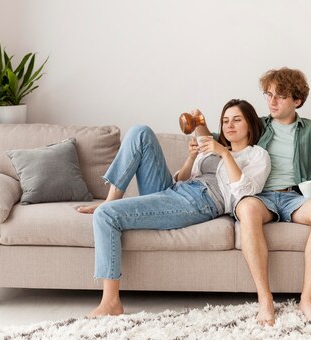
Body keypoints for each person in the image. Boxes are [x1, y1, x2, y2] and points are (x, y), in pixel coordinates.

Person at [195, 68, 311, 326]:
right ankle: (265, 300)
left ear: (297, 101)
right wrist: (200, 128)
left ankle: (307, 299)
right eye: (268, 95)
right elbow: (219, 137)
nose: (272, 102)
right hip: (260, 196)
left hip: (296, 198)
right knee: (247, 209)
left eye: (280, 96)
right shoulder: (258, 125)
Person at [77, 99, 270, 317]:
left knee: (105, 216)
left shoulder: (256, 155)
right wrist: (191, 158)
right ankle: (110, 199)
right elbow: (182, 177)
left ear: (250, 125)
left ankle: (111, 303)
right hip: (175, 189)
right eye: (225, 121)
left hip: (200, 201)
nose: (229, 125)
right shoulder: (212, 150)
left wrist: (225, 154)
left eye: (237, 120)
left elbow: (244, 191)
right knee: (140, 132)